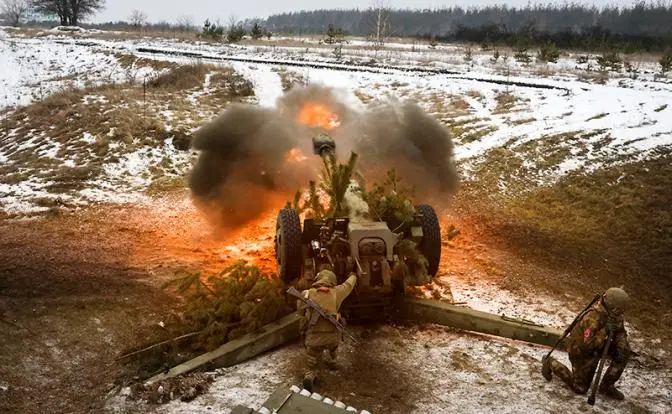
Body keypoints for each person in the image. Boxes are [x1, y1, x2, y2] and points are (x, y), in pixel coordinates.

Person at [542, 287, 632, 400]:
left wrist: (621, 347)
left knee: (624, 352)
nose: (622, 313)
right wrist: (605, 331)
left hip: (597, 346)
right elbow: (588, 345)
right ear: (613, 307)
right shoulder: (592, 318)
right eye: (620, 310)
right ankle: (551, 363)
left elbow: (620, 331)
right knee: (580, 388)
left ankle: (606, 387)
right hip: (581, 351)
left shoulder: (614, 315)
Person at [296, 266, 357, 391]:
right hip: (333, 337)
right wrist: (354, 275)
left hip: (314, 337)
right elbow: (349, 285)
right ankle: (332, 360)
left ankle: (311, 374)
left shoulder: (307, 294)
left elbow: (300, 311)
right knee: (333, 345)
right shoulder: (337, 292)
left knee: (312, 355)